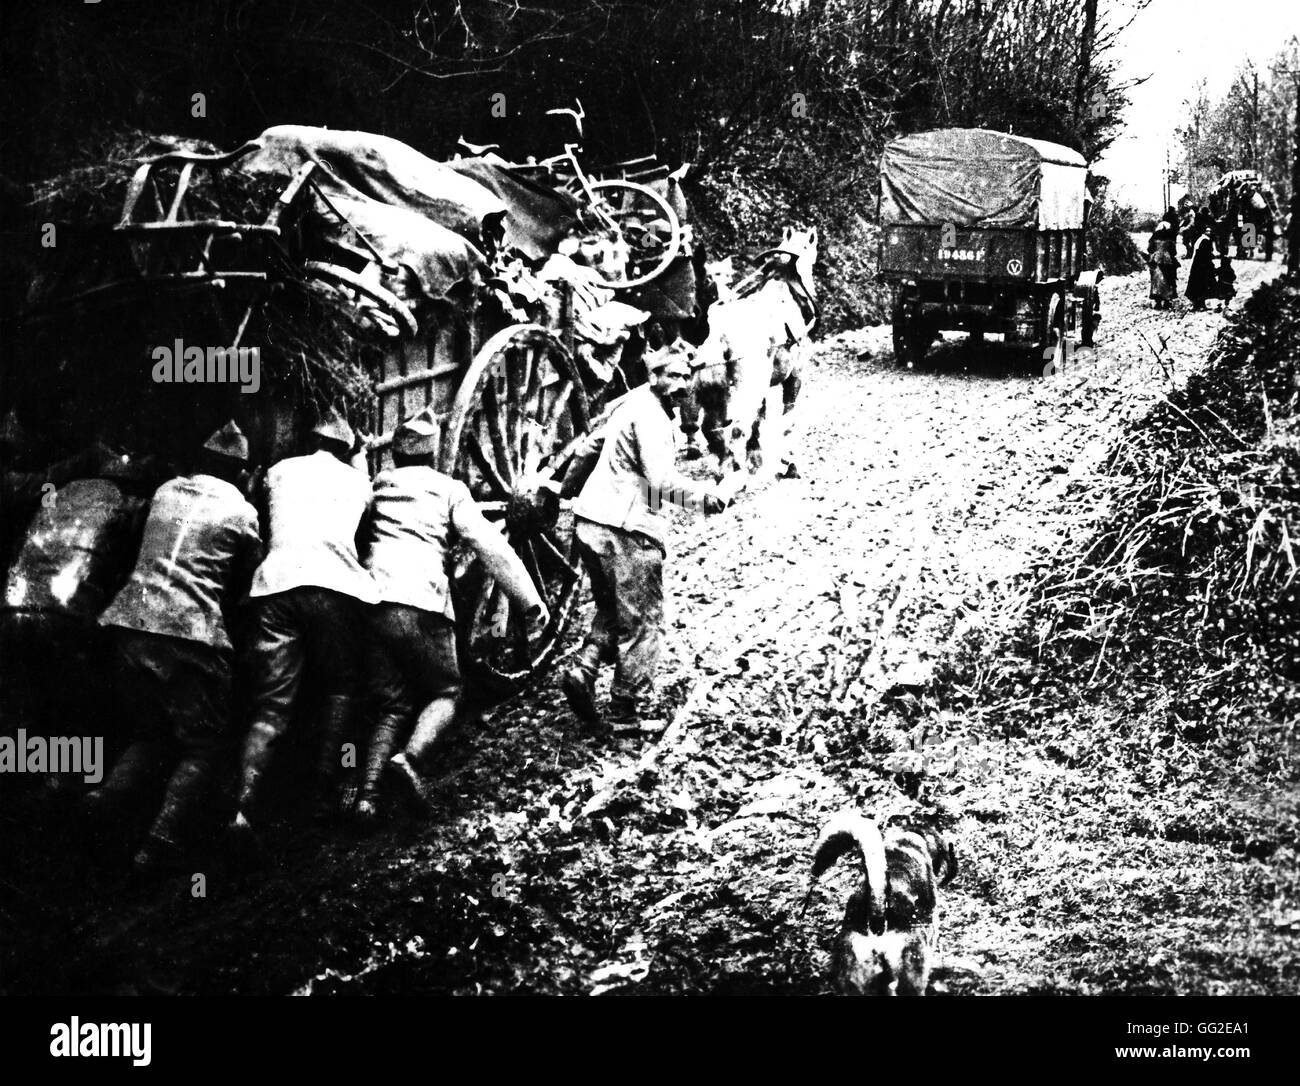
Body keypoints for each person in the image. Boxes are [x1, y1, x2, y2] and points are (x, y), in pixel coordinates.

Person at [354, 407, 550, 821]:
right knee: (448, 691)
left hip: (372, 604)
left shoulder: (379, 484)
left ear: (395, 455)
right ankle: (409, 759)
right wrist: (529, 602)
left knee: (391, 702)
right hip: (422, 602)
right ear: (433, 452)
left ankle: (366, 798)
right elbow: (489, 544)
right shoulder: (449, 489)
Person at [84, 421, 261, 871]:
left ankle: (100, 803)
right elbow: (247, 585)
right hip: (188, 633)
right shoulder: (242, 511)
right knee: (202, 746)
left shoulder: (164, 492)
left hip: (129, 623)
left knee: (149, 733)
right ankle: (157, 846)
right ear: (240, 472)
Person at [561, 344, 727, 732]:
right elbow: (659, 483)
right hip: (626, 530)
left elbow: (590, 447)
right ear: (653, 377)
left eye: (686, 377)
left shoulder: (628, 405)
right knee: (647, 623)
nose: (683, 384)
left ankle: (583, 671)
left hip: (590, 522)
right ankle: (625, 710)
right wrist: (706, 499)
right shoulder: (652, 417)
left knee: (611, 609)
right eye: (673, 376)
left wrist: (564, 491)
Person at [231, 407, 377, 835]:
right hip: (331, 588)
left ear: (310, 441)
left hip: (274, 588)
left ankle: (242, 809)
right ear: (345, 447)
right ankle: (322, 788)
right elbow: (365, 512)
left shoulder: (279, 471)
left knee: (272, 705)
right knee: (342, 686)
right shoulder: (358, 481)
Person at [1147, 207, 1180, 309]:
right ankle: (1167, 301)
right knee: (1169, 279)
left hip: (1156, 260)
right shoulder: (1170, 237)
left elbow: (1149, 249)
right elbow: (1174, 251)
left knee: (1156, 280)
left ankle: (1157, 301)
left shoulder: (1154, 237)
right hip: (1167, 260)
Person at [1185, 231, 1217, 311]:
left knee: (1197, 284)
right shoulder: (1205, 241)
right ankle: (1199, 304)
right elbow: (1206, 254)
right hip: (1203, 266)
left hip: (1197, 265)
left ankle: (1198, 304)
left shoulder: (1200, 239)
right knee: (1202, 284)